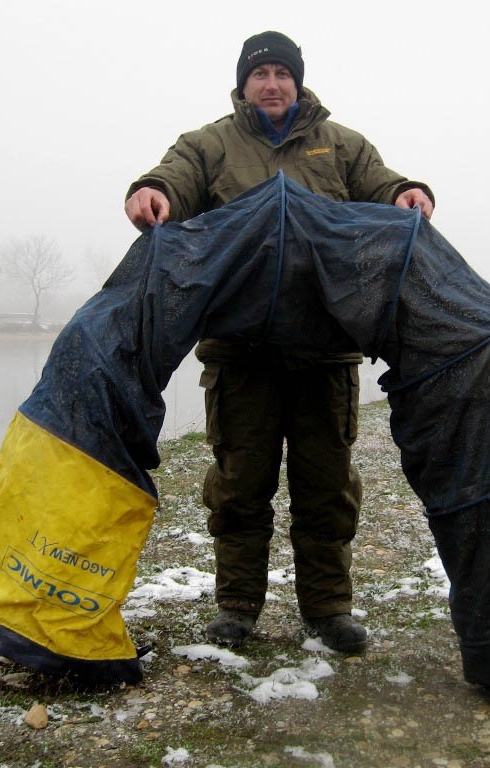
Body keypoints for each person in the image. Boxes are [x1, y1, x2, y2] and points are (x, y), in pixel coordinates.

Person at [124, 30, 434, 653]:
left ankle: (327, 609)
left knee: (327, 487)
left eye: (282, 74)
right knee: (239, 485)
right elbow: (173, 180)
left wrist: (407, 193)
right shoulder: (208, 144)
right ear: (243, 83)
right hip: (241, 356)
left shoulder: (342, 145)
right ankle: (237, 606)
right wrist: (150, 191)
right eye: (260, 73)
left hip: (325, 353)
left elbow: (384, 187)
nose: (271, 84)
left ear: (297, 82)